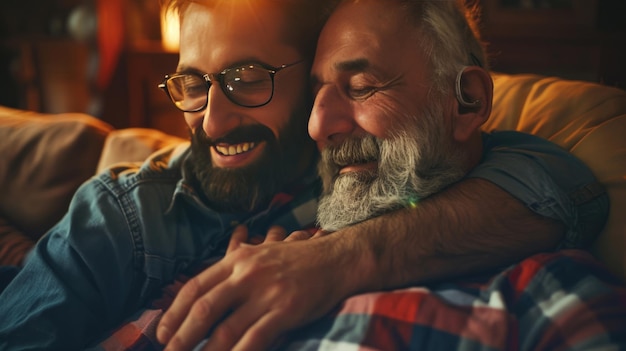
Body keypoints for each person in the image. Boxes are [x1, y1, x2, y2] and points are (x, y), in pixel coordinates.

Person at [0, 0, 607, 350]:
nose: (211, 122)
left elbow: (565, 183)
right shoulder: (123, 212)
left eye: (246, 79)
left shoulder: (360, 177)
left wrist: (337, 259)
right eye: (193, 84)